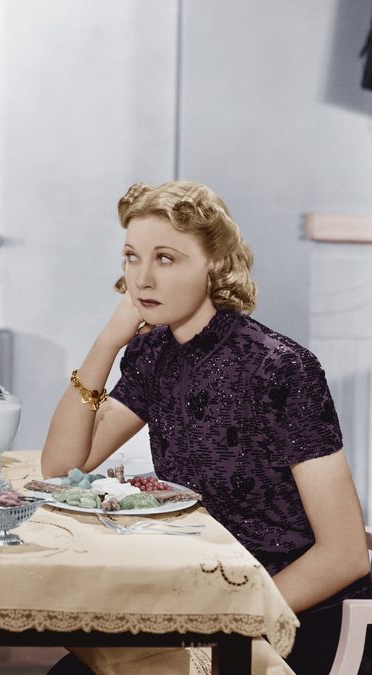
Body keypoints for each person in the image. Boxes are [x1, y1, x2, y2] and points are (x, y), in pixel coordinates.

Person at [41, 180, 372, 675]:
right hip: (205, 594)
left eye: (166, 259)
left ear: (214, 263)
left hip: (294, 614)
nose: (143, 279)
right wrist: (108, 342)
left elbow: (346, 555)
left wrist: (227, 621)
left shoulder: (280, 367)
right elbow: (62, 466)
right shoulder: (153, 354)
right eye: (132, 257)